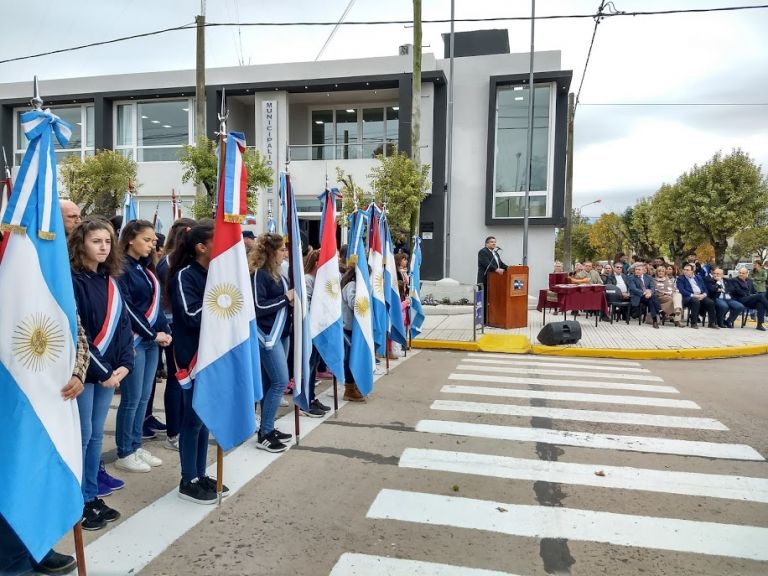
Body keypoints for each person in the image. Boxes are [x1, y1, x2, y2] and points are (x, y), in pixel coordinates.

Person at [69, 218, 134, 530]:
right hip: (86, 373)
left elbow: (122, 326)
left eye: (107, 241)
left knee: (96, 436)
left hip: (110, 372)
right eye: (96, 241)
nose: (103, 247)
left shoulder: (111, 280)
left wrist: (125, 363)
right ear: (81, 243)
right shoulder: (73, 280)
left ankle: (91, 494)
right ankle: (76, 501)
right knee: (81, 437)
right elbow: (77, 331)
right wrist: (105, 370)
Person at [166, 222, 230, 503]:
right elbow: (191, 315)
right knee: (192, 420)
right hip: (192, 355)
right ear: (201, 247)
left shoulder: (218, 274)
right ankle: (187, 479)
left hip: (214, 353)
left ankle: (200, 473)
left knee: (206, 419)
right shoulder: (184, 276)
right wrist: (223, 300)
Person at [115, 220, 172, 473]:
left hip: (151, 341)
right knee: (131, 398)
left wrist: (165, 331)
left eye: (153, 241)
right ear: (130, 239)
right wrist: (152, 333)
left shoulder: (147, 269)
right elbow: (127, 307)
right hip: (134, 341)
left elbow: (155, 304)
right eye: (147, 240)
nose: (152, 245)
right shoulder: (122, 269)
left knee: (144, 398)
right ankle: (124, 451)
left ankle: (136, 445)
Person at [249, 233, 295, 451]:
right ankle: (265, 434)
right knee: (280, 382)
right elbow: (258, 307)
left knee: (271, 383)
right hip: (267, 336)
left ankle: (268, 426)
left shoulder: (278, 274)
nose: (285, 253)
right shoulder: (259, 274)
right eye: (282, 249)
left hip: (281, 333)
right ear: (271, 252)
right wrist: (286, 298)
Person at [154, 217, 196, 451]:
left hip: (178, 324)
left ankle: (179, 426)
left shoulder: (173, 260)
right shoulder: (169, 262)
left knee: (181, 378)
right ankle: (174, 431)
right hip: (172, 325)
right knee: (175, 377)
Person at [302, 248, 332, 417]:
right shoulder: (308, 280)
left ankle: (311, 397)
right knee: (309, 365)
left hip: (318, 329)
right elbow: (307, 305)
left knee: (313, 365)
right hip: (310, 329)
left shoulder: (318, 281)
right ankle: (306, 399)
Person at [340, 264, 366, 402]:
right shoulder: (351, 285)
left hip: (353, 328)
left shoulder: (354, 285)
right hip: (347, 328)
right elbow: (354, 304)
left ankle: (354, 384)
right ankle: (349, 388)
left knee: (353, 357)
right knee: (349, 359)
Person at [476, 236, 507, 323]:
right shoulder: (483, 252)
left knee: (492, 300)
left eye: (495, 242)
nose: (494, 243)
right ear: (487, 243)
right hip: (485, 279)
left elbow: (500, 264)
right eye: (492, 242)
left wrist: (510, 268)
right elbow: (486, 263)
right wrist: (496, 269)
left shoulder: (495, 253)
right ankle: (483, 320)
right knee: (485, 299)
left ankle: (491, 318)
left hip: (494, 282)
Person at [676, 263, 716, 329]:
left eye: (687, 270)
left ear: (692, 271)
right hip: (688, 297)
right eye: (684, 269)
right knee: (695, 301)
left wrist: (704, 295)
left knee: (710, 302)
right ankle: (693, 323)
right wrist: (693, 295)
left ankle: (711, 323)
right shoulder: (680, 278)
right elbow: (682, 290)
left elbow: (704, 288)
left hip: (700, 295)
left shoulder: (698, 277)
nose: (685, 271)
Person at [730, 266, 768, 331]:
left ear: (747, 274)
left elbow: (754, 291)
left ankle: (759, 325)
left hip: (748, 300)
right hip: (739, 299)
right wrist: (750, 295)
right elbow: (738, 291)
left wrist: (753, 295)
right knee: (760, 296)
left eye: (743, 273)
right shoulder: (734, 280)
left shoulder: (749, 281)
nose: (741, 274)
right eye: (740, 273)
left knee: (760, 303)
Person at [628, 263, 660, 328]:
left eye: (639, 270)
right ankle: (660, 311)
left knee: (651, 300)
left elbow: (653, 287)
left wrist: (650, 293)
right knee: (652, 298)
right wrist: (645, 292)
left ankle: (655, 321)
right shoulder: (631, 278)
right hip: (638, 297)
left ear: (643, 271)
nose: (637, 271)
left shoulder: (648, 277)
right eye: (636, 269)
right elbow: (633, 289)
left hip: (648, 297)